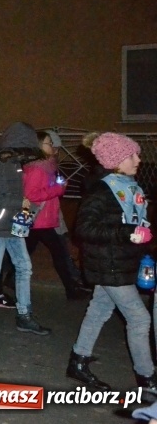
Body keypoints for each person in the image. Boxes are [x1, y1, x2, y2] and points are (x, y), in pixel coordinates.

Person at [66, 132, 157, 398]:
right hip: (109, 264)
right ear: (116, 161)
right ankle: (147, 377)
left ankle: (78, 361)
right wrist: (126, 233)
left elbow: (133, 223)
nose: (138, 160)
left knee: (99, 310)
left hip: (119, 261)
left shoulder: (129, 187)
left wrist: (142, 245)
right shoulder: (102, 191)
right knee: (139, 319)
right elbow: (84, 228)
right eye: (132, 156)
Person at [0, 122, 51, 335]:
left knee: (24, 267)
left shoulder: (14, 161)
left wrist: (24, 208)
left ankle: (24, 315)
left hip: (10, 223)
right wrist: (18, 202)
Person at [23, 131, 89, 300]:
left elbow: (46, 188)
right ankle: (71, 290)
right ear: (38, 146)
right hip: (39, 219)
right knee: (59, 253)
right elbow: (31, 194)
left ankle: (7, 278)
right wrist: (58, 189)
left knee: (25, 252)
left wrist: (59, 185)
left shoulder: (48, 166)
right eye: (48, 143)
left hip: (44, 218)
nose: (52, 146)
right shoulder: (37, 168)